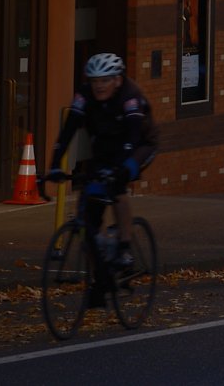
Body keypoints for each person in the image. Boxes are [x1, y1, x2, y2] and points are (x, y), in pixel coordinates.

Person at [45, 54, 157, 269]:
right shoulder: (84, 95)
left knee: (117, 185)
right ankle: (97, 274)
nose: (99, 86)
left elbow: (133, 136)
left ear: (117, 80)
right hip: (106, 145)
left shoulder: (130, 96)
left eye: (104, 80)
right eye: (94, 81)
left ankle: (125, 248)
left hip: (140, 145)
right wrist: (55, 165)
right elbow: (68, 130)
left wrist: (120, 169)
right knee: (90, 202)